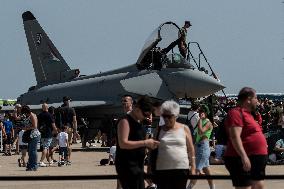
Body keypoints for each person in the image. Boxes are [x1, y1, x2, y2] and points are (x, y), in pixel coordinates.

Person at [224, 87, 268, 189]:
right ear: (248, 99)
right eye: (255, 98)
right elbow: (235, 136)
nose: (257, 101)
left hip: (256, 158)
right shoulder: (236, 113)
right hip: (241, 158)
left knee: (258, 185)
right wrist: (243, 156)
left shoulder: (249, 115)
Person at [115, 95, 160, 189]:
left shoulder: (138, 122)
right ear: (137, 109)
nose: (146, 117)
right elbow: (123, 143)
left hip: (136, 168)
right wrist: (145, 143)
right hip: (128, 168)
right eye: (145, 115)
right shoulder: (125, 121)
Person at [152, 100, 195, 189]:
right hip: (162, 170)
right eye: (164, 116)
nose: (166, 119)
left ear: (176, 116)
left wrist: (193, 167)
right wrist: (149, 167)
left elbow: (191, 149)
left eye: (169, 116)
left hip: (181, 169)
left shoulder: (185, 128)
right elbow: (153, 150)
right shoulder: (158, 129)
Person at [187, 106, 215, 189]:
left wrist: (199, 120)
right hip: (199, 147)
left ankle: (189, 188)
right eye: (200, 112)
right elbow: (197, 136)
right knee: (206, 170)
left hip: (203, 147)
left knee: (196, 170)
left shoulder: (208, 123)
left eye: (202, 112)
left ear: (206, 113)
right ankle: (212, 187)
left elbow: (201, 131)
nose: (200, 113)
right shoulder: (201, 121)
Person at [21, 105, 41, 171]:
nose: (24, 114)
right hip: (31, 135)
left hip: (34, 135)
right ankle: (30, 165)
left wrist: (26, 128)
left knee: (33, 151)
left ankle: (34, 166)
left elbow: (35, 126)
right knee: (30, 151)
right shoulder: (28, 115)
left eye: (24, 112)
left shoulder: (32, 115)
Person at [60, 96, 78, 163]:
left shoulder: (60, 109)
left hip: (62, 129)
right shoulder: (72, 109)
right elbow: (74, 121)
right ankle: (68, 159)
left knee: (62, 145)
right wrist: (75, 131)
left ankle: (62, 158)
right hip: (69, 128)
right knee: (69, 144)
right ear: (67, 101)